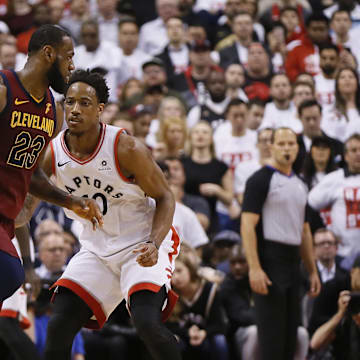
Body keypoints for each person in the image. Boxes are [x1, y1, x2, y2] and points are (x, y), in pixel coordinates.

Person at [39, 69, 181, 360]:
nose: (75, 109)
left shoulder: (125, 147)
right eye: (70, 102)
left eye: (84, 103)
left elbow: (166, 196)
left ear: (100, 110)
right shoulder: (53, 153)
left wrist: (154, 243)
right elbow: (31, 192)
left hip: (141, 243)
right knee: (59, 325)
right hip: (96, 249)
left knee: (146, 323)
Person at [0, 24, 102, 307]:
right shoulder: (3, 88)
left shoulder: (52, 111)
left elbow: (32, 174)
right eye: (68, 56)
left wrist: (70, 201)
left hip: (6, 218)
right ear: (48, 53)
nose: (72, 65)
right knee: (9, 272)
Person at [241, 127, 321, 360]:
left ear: (298, 148)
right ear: (272, 146)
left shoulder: (300, 183)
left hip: (292, 264)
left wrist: (312, 270)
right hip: (269, 261)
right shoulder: (260, 180)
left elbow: (304, 230)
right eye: (282, 144)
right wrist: (255, 268)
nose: (286, 148)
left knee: (290, 337)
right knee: (271, 340)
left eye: (291, 144)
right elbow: (247, 226)